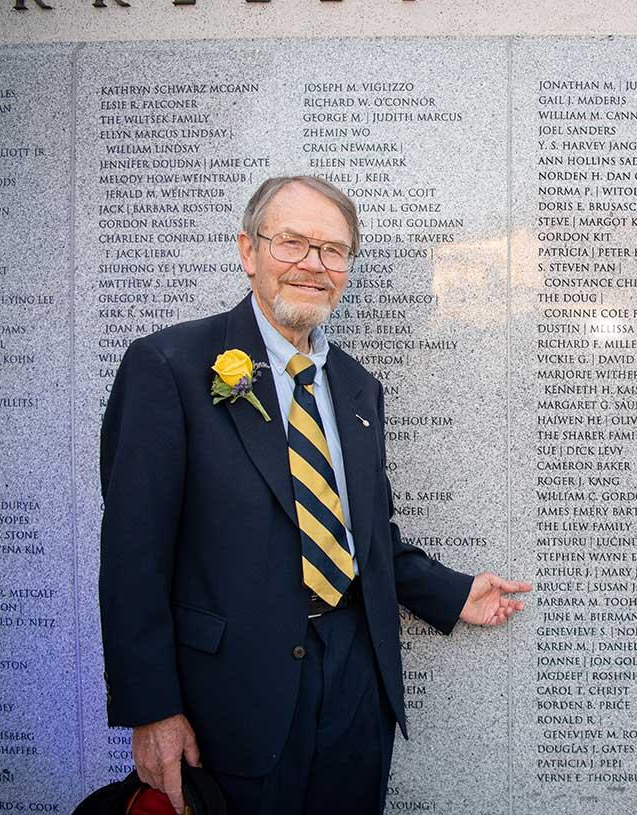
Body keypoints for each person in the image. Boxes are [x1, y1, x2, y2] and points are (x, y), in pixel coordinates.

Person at [98, 175, 531, 815]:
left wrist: (451, 591)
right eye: (292, 243)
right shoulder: (169, 366)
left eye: (333, 250)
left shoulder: (356, 387)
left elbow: (363, 532)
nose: (313, 265)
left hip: (356, 683)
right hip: (231, 695)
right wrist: (152, 707)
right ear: (249, 252)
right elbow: (134, 553)